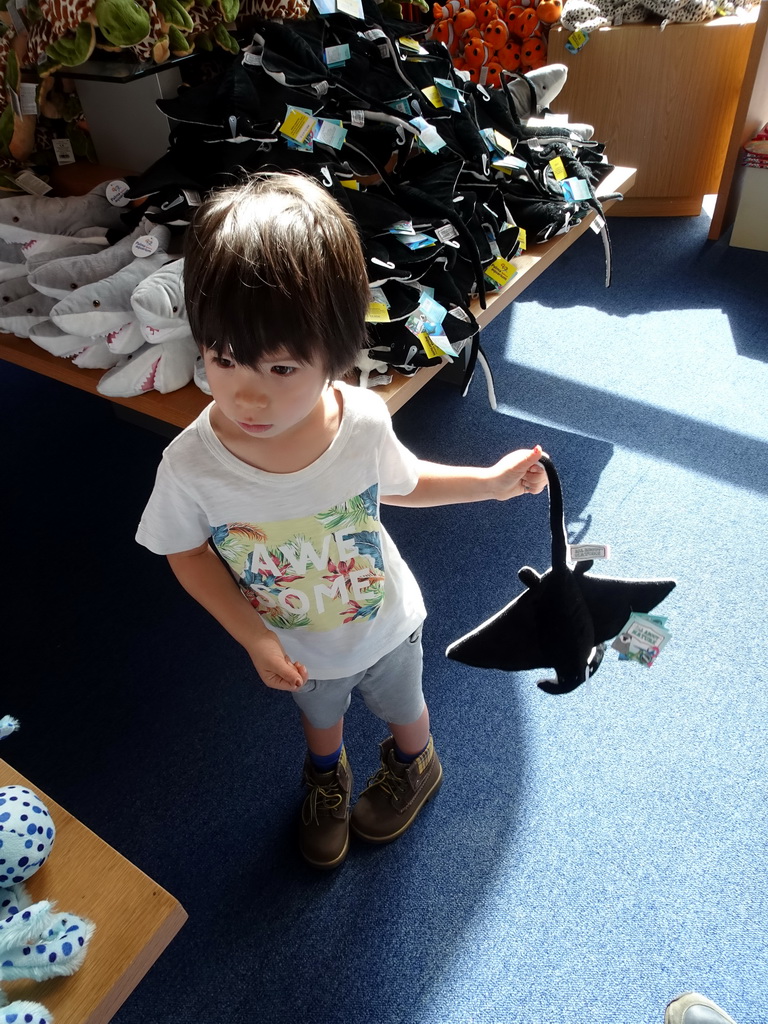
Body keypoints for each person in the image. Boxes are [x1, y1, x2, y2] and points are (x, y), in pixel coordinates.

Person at [135, 172, 548, 870]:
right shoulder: (191, 465)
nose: (245, 393)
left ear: (335, 356)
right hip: (297, 647)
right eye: (222, 357)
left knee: (404, 709)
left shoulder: (361, 420)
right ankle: (326, 780)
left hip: (384, 624)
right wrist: (253, 638)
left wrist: (492, 482)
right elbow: (186, 554)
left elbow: (407, 484)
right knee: (320, 722)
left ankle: (417, 764)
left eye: (281, 366)